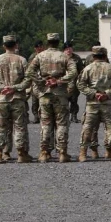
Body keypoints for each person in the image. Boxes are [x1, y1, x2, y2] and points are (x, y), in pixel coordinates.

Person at [25, 33, 77, 163]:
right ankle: (62, 153)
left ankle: (44, 153)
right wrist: (59, 81)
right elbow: (73, 72)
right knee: (61, 124)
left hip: (45, 94)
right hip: (60, 94)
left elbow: (29, 71)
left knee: (46, 124)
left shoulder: (40, 56)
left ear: (47, 42)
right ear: (58, 42)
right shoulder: (63, 56)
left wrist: (42, 81)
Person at [0, 35, 33, 163]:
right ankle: (21, 154)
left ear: (4, 46)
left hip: (2, 98)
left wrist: (0, 88)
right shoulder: (22, 60)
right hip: (17, 98)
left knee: (1, 127)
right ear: (16, 45)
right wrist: (15, 88)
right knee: (19, 126)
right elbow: (29, 79)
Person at [77, 46, 111, 162]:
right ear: (105, 55)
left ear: (93, 56)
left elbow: (80, 84)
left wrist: (93, 93)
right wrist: (107, 94)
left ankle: (83, 154)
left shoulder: (88, 68)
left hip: (92, 103)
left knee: (88, 128)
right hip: (107, 103)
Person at [63, 41, 85, 123]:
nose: (68, 50)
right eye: (66, 49)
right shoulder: (61, 57)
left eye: (70, 48)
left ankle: (74, 116)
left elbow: (81, 70)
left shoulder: (76, 58)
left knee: (74, 100)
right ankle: (64, 117)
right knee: (63, 100)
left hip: (74, 82)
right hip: (63, 83)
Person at [28, 41, 45, 124]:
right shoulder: (32, 56)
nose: (39, 48)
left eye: (40, 46)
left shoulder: (45, 55)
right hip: (35, 80)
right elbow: (30, 69)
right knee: (34, 100)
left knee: (44, 98)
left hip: (44, 79)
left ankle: (43, 115)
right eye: (37, 47)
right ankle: (36, 116)